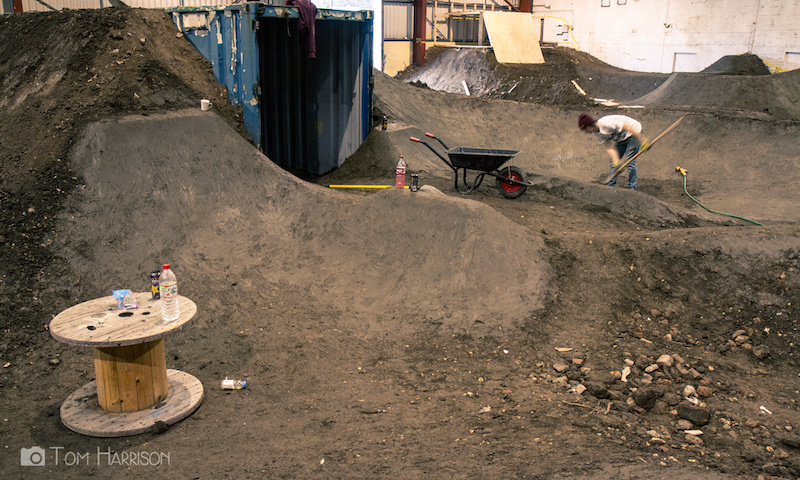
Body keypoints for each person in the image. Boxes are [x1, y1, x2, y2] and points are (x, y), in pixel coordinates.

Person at [578, 113, 650, 190]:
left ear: (590, 125)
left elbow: (628, 127)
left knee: (629, 161)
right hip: (621, 138)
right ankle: (610, 186)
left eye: (585, 129)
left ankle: (632, 187)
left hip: (633, 132)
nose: (585, 132)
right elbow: (609, 146)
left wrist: (642, 140)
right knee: (613, 163)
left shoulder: (606, 124)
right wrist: (616, 162)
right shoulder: (597, 134)